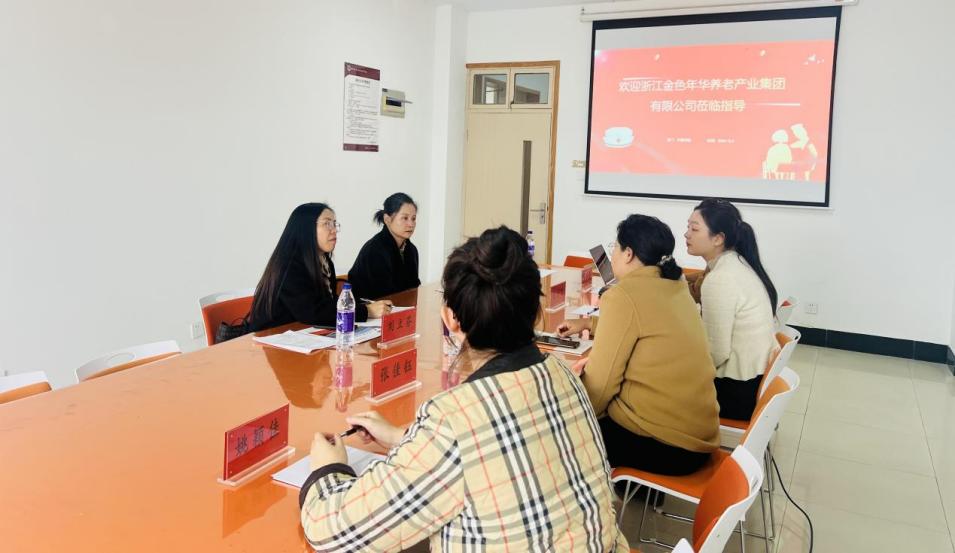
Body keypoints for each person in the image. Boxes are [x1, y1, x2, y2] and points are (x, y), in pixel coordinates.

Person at [303, 226, 629, 552]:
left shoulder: (454, 418)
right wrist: (405, 439)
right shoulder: (563, 373)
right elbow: (491, 449)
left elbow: (332, 529)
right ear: (535, 314)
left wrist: (329, 468)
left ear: (451, 319)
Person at [557, 215, 719, 476]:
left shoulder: (623, 296)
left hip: (663, 444)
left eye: (615, 246)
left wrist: (576, 412)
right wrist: (591, 324)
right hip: (699, 438)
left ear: (629, 253)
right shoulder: (675, 285)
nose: (613, 253)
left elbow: (600, 387)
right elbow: (648, 327)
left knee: (559, 430)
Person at [684, 198, 779, 421]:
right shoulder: (736, 262)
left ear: (718, 238)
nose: (686, 234)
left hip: (734, 393)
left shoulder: (720, 279)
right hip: (750, 382)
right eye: (688, 227)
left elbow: (715, 353)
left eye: (694, 229)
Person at [248, 203, 391, 332]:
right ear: (306, 229)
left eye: (334, 224)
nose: (334, 230)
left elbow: (326, 304)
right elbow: (312, 312)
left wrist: (365, 305)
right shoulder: (288, 265)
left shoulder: (324, 261)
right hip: (270, 338)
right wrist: (366, 311)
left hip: (303, 333)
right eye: (327, 224)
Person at [348, 193, 421, 300]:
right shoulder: (374, 249)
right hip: (368, 307)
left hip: (400, 305)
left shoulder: (412, 250)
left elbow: (413, 286)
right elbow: (382, 294)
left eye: (413, 218)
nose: (411, 224)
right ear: (387, 219)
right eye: (405, 218)